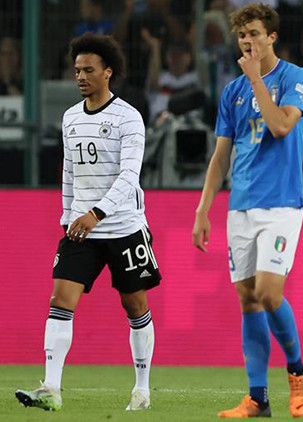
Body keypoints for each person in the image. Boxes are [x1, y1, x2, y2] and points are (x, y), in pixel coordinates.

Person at [15, 33, 160, 412]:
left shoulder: (128, 117)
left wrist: (97, 213)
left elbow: (129, 176)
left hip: (123, 227)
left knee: (135, 305)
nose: (80, 76)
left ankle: (142, 390)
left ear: (108, 72)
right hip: (81, 228)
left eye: (88, 70)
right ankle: (51, 388)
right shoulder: (70, 117)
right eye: (77, 70)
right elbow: (69, 171)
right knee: (60, 300)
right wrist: (68, 217)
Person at [191, 4, 303, 418]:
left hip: (281, 204)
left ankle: (297, 371)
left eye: (255, 33)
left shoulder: (296, 78)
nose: (248, 41)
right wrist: (203, 208)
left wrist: (257, 78)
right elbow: (221, 155)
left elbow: (280, 126)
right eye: (242, 35)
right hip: (240, 206)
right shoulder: (232, 92)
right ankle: (258, 398)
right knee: (248, 300)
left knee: (268, 292)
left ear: (272, 36)